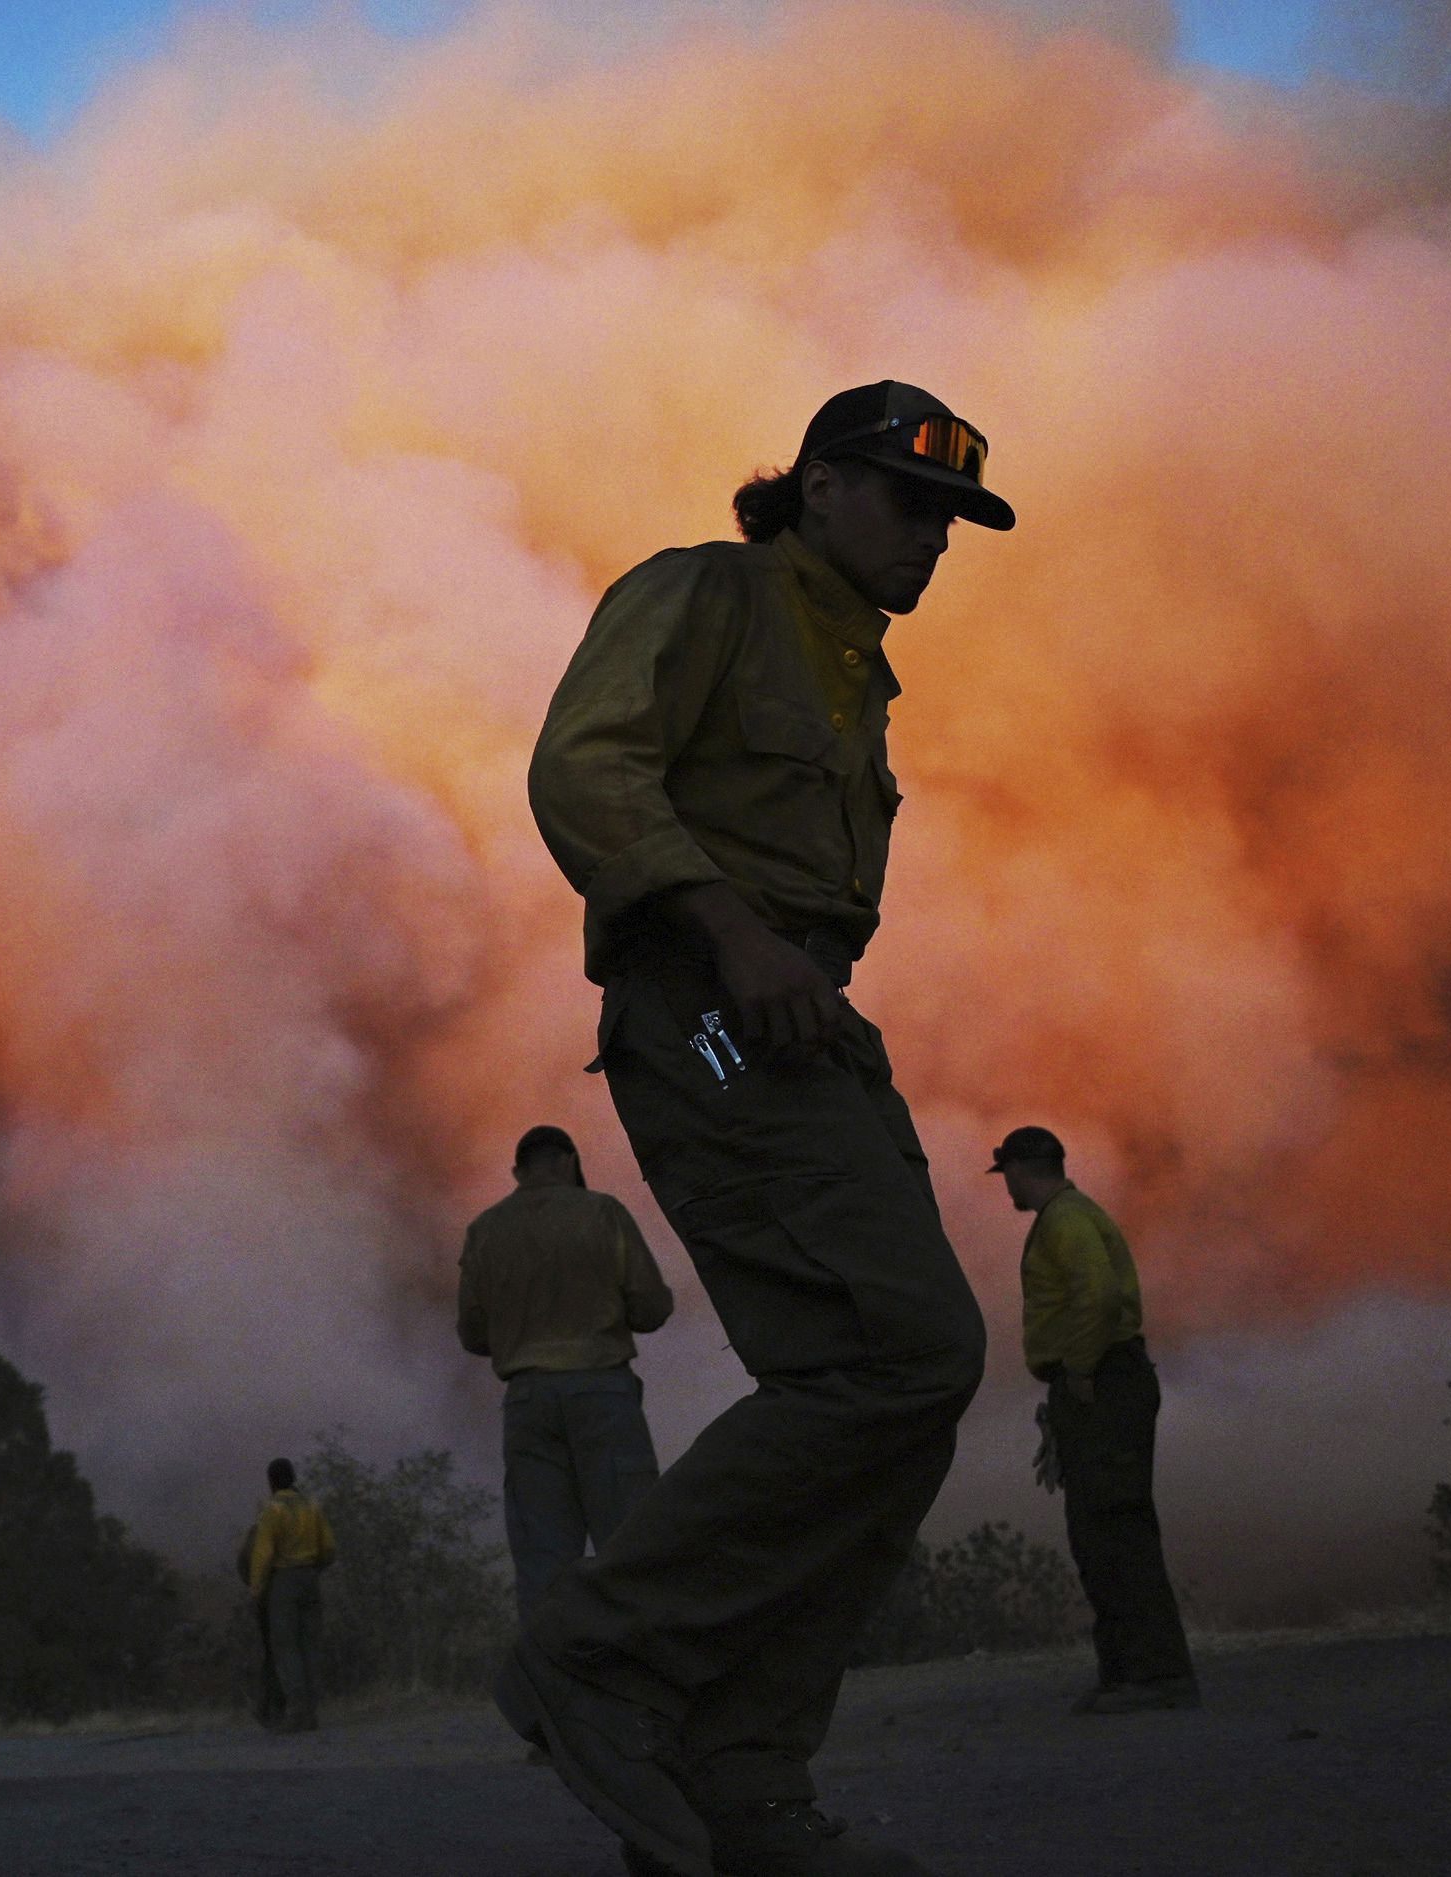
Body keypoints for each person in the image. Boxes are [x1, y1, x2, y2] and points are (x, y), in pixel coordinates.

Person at [512, 381, 1011, 1877]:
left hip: (797, 1015)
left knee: (895, 1381)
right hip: (712, 1002)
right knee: (909, 1352)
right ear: (818, 488)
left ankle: (740, 1775)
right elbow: (583, 769)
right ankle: (596, 1660)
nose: (934, 539)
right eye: (910, 503)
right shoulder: (709, 592)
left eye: (952, 520)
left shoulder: (855, 667)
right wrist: (733, 936)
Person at [990, 1125, 1197, 1714]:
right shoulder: (1068, 1215)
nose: (1005, 1185)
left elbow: (1098, 1296)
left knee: (1114, 1528)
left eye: (1006, 1173)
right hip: (1103, 1384)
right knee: (1103, 1529)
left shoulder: (1065, 1220)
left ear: (1023, 1169)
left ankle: (1152, 1677)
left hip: (1103, 1385)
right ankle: (1132, 1673)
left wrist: (1079, 1371)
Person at [458, 1124, 677, 1621]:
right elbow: (651, 1308)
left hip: (528, 1401)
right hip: (603, 1393)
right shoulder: (603, 1213)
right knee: (631, 1546)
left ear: (518, 1171)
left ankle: (556, 1685)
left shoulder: (485, 1230)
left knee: (544, 1560)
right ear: (568, 1161)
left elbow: (472, 1334)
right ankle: (643, 1677)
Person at [241, 1457, 338, 1733]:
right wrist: (315, 1569)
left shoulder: (272, 1511)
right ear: (294, 1478)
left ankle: (297, 1713)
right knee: (309, 1644)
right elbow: (330, 1549)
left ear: (271, 1482)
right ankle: (311, 1712)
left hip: (284, 1582)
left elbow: (263, 1556)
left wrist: (256, 1591)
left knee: (286, 1648)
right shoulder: (312, 1506)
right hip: (311, 1579)